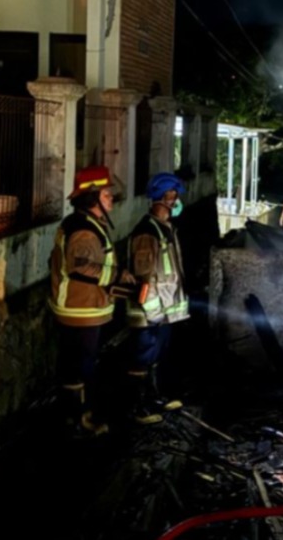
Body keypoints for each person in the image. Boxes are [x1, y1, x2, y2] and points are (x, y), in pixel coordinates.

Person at [48, 165, 124, 437]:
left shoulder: (80, 223)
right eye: (105, 195)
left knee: (74, 364)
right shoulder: (83, 229)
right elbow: (82, 268)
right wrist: (118, 276)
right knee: (81, 365)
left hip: (78, 307)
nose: (111, 199)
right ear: (92, 199)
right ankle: (79, 420)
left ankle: (72, 418)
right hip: (82, 309)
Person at [124, 172, 190, 425]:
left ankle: (153, 398)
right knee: (141, 359)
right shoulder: (146, 232)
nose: (176, 201)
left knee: (155, 357)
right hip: (148, 314)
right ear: (162, 198)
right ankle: (136, 407)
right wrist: (153, 312)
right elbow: (144, 277)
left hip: (162, 312)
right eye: (173, 196)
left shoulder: (165, 229)